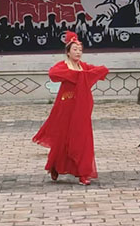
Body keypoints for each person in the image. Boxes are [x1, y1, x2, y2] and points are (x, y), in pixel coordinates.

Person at [32, 32, 109, 186]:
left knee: (82, 139)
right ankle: (54, 166)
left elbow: (102, 70)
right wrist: (77, 76)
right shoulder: (63, 66)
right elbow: (53, 73)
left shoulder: (84, 67)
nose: (78, 52)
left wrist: (83, 76)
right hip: (66, 107)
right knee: (62, 139)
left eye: (80, 49)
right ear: (68, 52)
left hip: (82, 109)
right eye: (75, 49)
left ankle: (83, 173)